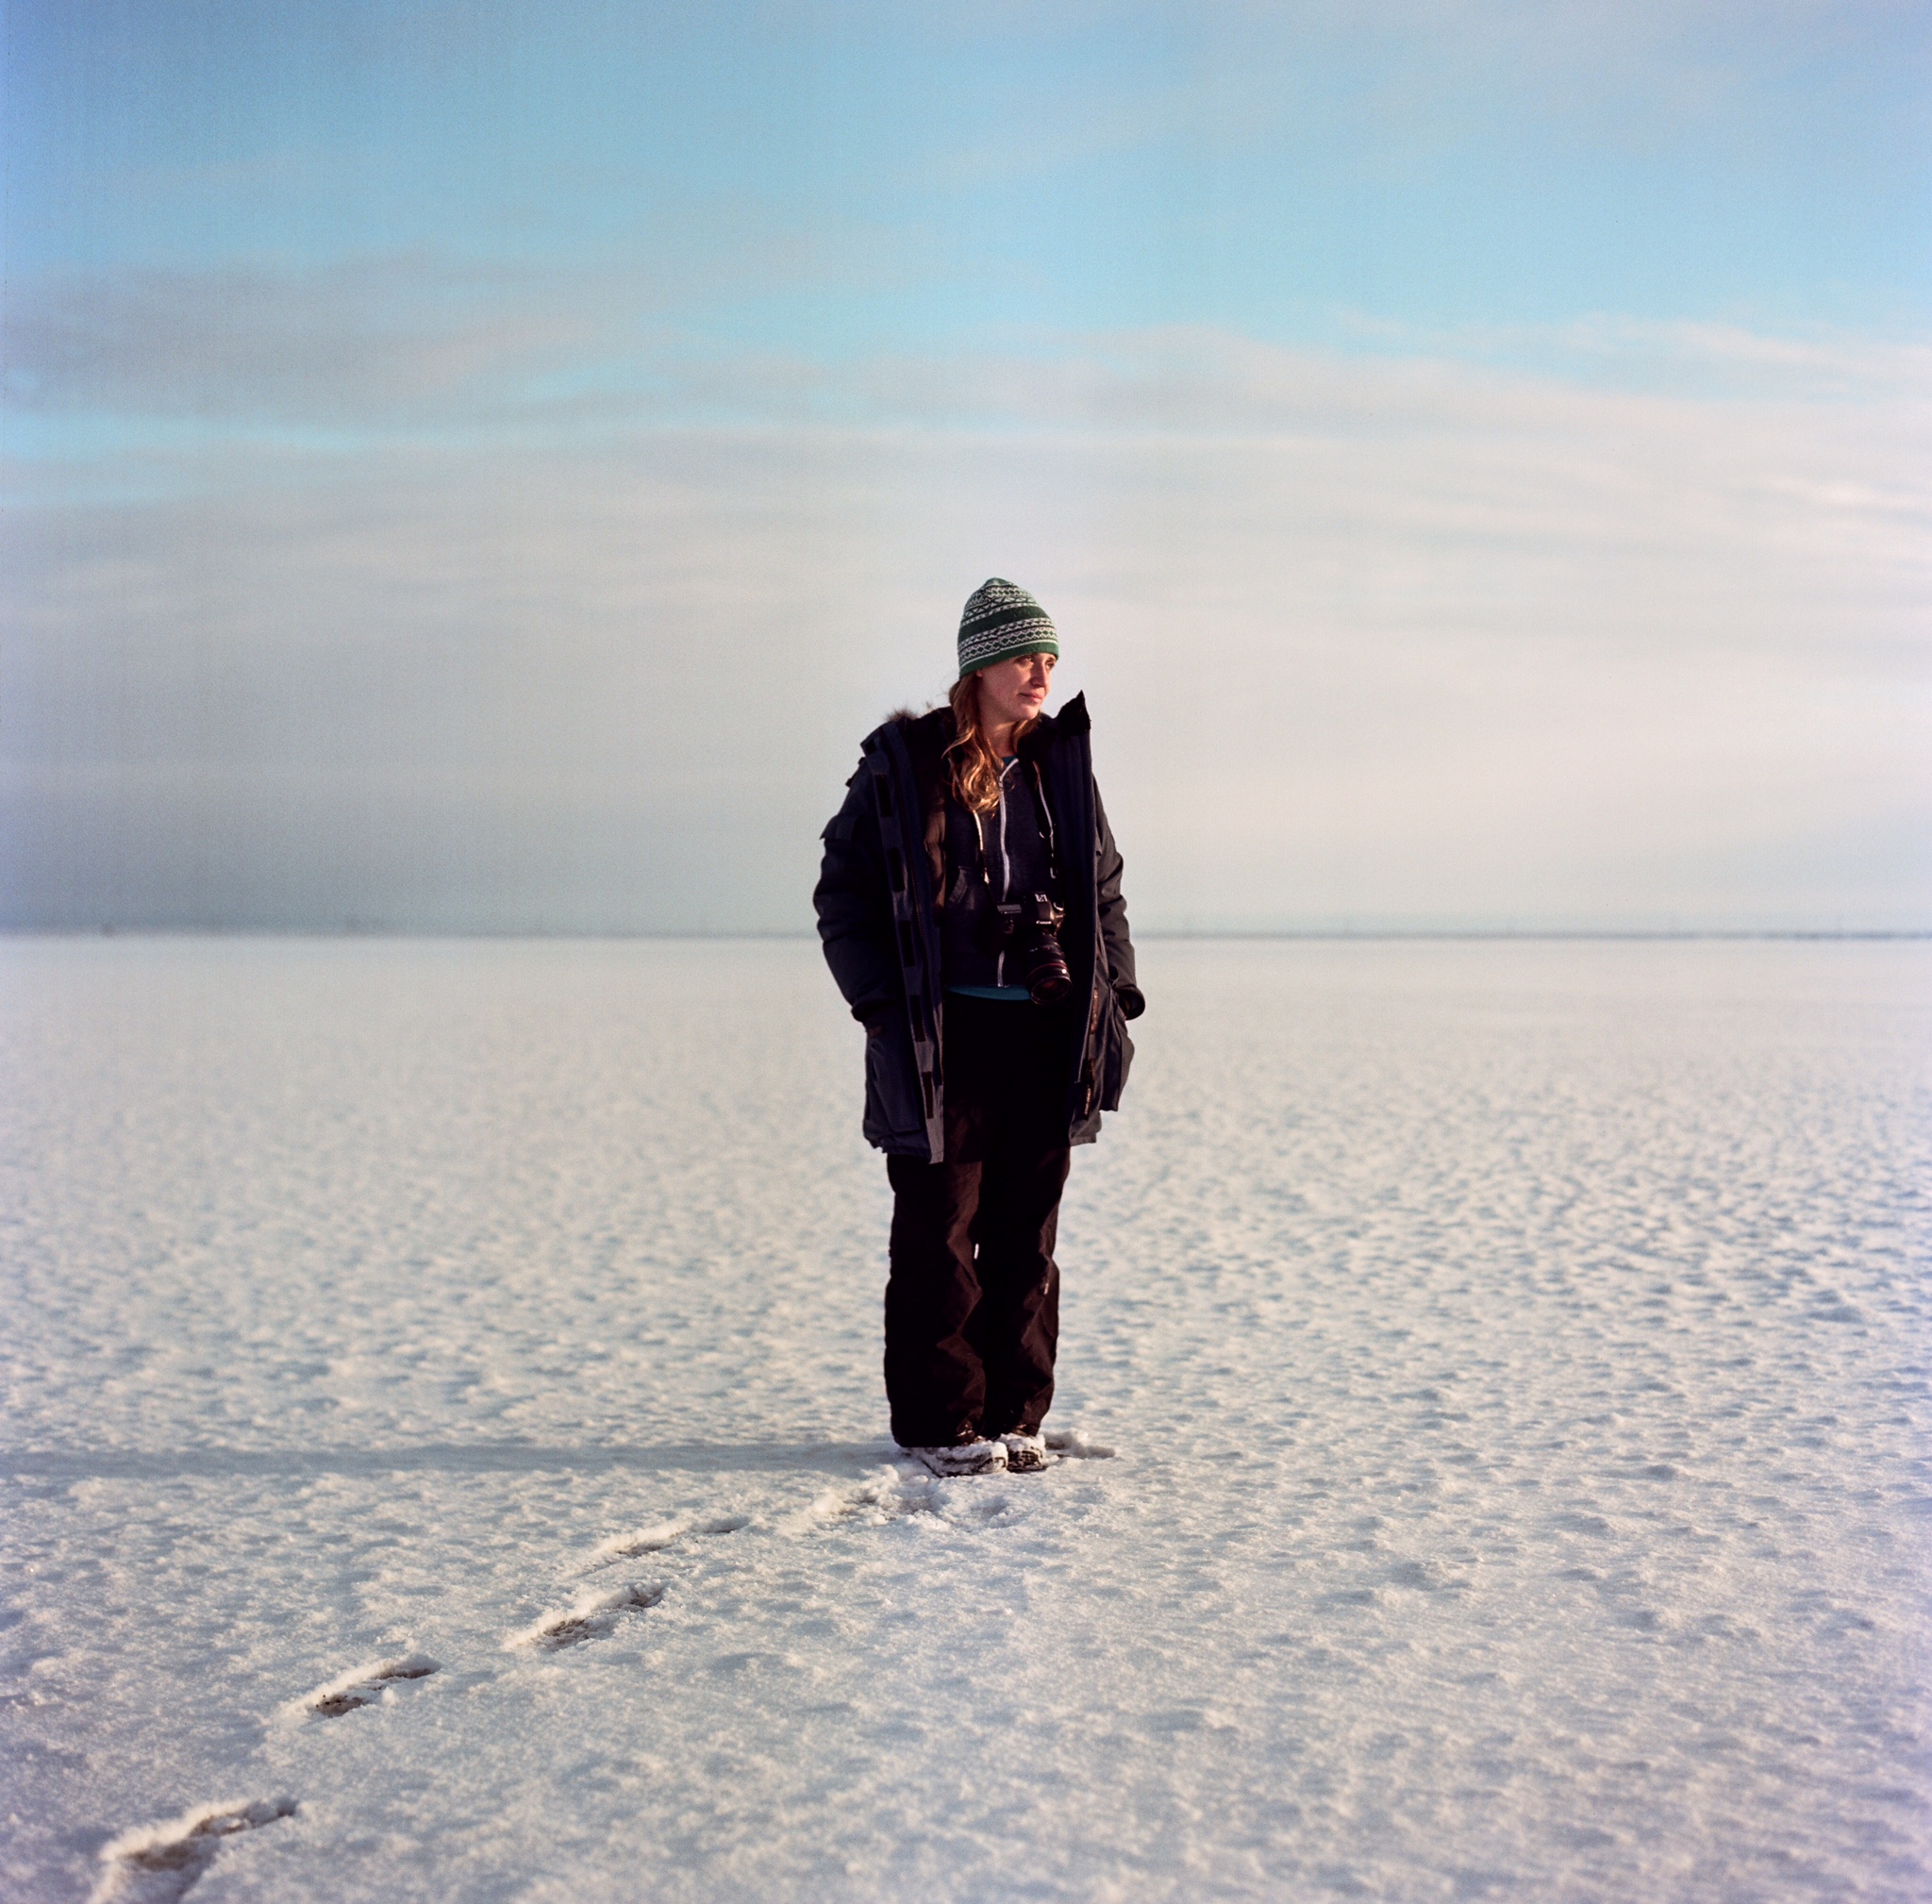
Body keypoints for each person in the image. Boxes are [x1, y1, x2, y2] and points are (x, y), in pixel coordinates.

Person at [813, 578, 1144, 1477]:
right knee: (939, 1233)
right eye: (1023, 657)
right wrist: (880, 1004)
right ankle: (940, 1424)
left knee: (1026, 1235)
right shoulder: (903, 766)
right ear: (979, 666)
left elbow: (1104, 889)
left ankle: (1013, 1416)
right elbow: (841, 894)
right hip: (940, 1039)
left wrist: (1116, 993)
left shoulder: (1060, 765)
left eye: (1050, 659)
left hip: (1047, 1033)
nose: (1041, 674)